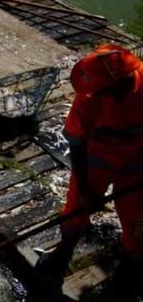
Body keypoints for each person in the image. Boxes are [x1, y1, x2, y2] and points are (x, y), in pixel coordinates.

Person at [34, 44, 143, 300]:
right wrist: (85, 190)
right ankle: (63, 253)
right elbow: (78, 144)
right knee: (76, 207)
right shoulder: (88, 100)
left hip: (138, 162)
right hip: (98, 159)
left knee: (137, 219)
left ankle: (128, 271)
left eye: (104, 91)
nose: (98, 95)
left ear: (121, 83)